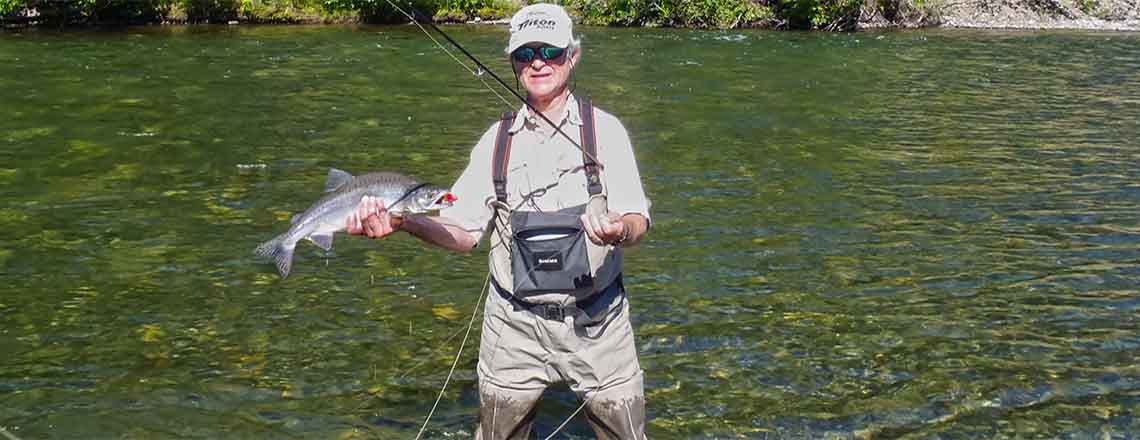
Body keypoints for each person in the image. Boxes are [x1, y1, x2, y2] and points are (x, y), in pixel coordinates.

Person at [345, 4, 651, 439]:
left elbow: (638, 219)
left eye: (550, 50)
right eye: (526, 54)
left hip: (599, 323)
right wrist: (403, 223)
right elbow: (464, 232)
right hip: (513, 328)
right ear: (512, 62)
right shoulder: (495, 142)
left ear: (573, 56)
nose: (538, 61)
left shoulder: (607, 131)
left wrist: (620, 230)